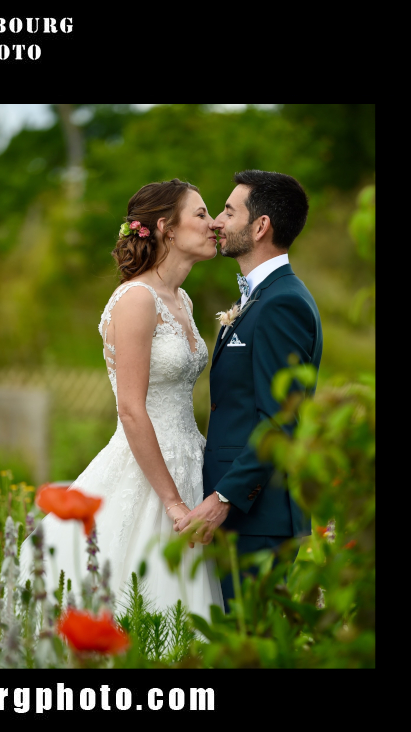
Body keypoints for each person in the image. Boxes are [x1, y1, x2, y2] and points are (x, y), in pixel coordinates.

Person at [19, 178, 224, 618]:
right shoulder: (136, 299)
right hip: (148, 470)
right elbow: (131, 409)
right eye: (202, 214)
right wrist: (171, 500)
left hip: (190, 460)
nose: (213, 225)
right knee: (140, 593)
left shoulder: (181, 299)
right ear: (167, 227)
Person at [175, 170, 321, 613]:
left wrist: (224, 498)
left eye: (228, 211)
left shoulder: (283, 304)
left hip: (258, 516)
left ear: (260, 227)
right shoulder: (261, 297)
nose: (217, 221)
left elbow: (281, 419)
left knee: (250, 648)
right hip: (245, 514)